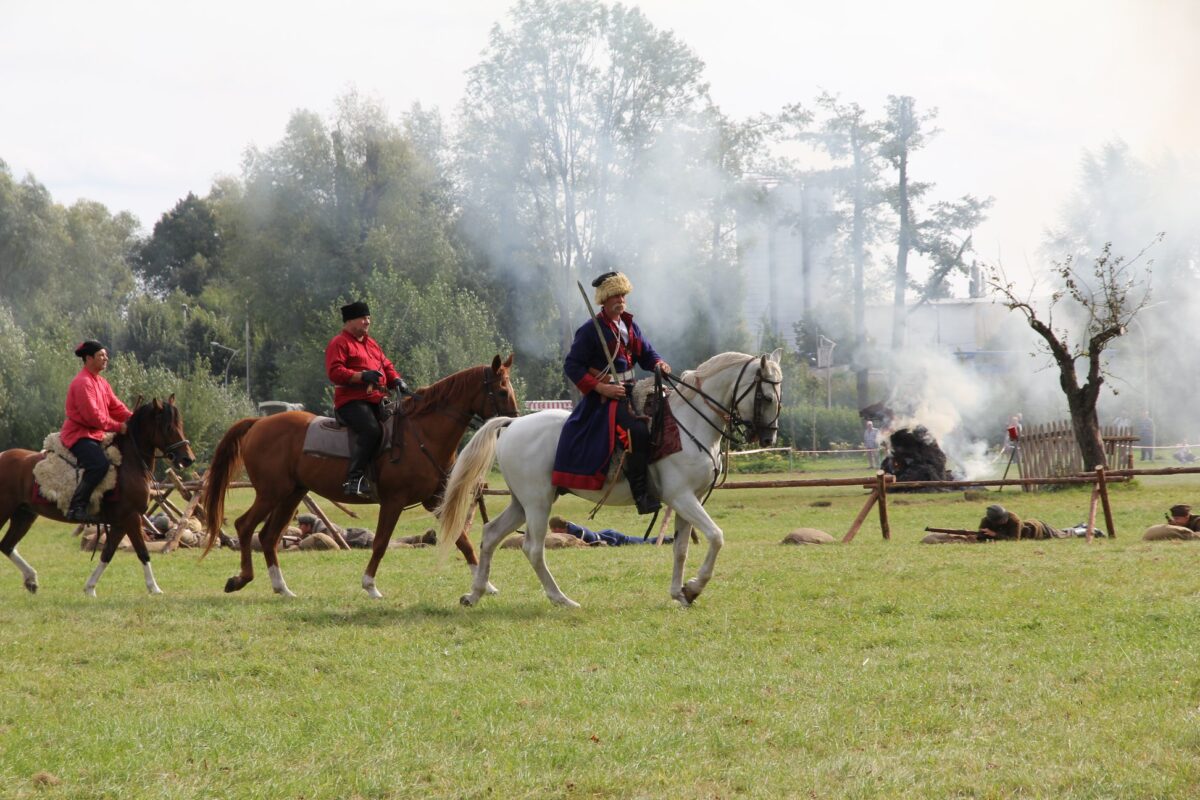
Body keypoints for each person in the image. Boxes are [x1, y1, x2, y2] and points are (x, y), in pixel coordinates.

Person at [552, 271, 671, 515]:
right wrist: (601, 387)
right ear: (604, 300)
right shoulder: (590, 330)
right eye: (615, 295)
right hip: (605, 396)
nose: (621, 300)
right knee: (636, 430)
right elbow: (572, 365)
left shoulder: (629, 325)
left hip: (633, 388)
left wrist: (659, 363)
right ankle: (641, 493)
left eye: (623, 295)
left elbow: (646, 353)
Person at [325, 301, 409, 497]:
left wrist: (396, 379)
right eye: (363, 318)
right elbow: (335, 372)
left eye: (369, 318)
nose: (367, 321)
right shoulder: (339, 343)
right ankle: (353, 479)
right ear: (349, 321)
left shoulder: (371, 343)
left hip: (376, 399)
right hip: (350, 402)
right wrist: (361, 376)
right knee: (371, 430)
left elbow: (386, 365)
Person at [61, 340, 133, 521]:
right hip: (80, 435)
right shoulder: (83, 383)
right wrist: (119, 427)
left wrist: (133, 419)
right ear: (88, 358)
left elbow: (116, 407)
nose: (106, 358)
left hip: (96, 434)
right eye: (101, 355)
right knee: (99, 465)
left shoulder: (101, 382)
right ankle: (76, 508)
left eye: (105, 355)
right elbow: (93, 417)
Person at [548, 515, 669, 546]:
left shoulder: (576, 532)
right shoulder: (569, 527)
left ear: (558, 528)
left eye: (553, 530)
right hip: (605, 533)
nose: (553, 533)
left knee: (644, 542)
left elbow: (580, 544)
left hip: (611, 538)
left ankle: (668, 539)